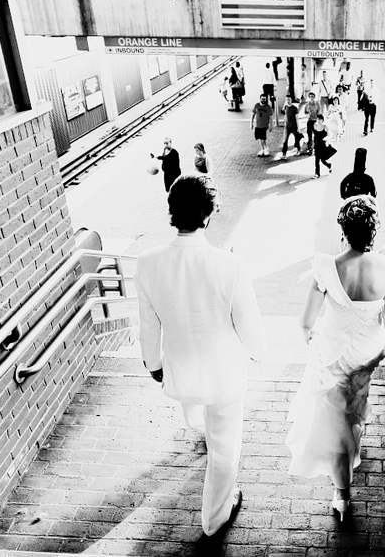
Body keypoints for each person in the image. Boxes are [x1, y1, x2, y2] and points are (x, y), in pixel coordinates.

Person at [135, 175, 265, 539]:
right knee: (225, 448)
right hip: (223, 377)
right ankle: (215, 517)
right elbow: (250, 329)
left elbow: (149, 325)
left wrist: (154, 364)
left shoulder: (147, 262)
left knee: (198, 411)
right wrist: (258, 354)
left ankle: (199, 428)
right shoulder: (230, 265)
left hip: (181, 372)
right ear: (208, 216)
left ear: (172, 211)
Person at [285, 195, 385, 523]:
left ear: (343, 230)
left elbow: (306, 321)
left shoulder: (325, 265)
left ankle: (342, 494)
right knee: (353, 410)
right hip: (366, 357)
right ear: (373, 231)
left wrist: (309, 335)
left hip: (332, 358)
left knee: (337, 424)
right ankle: (352, 442)